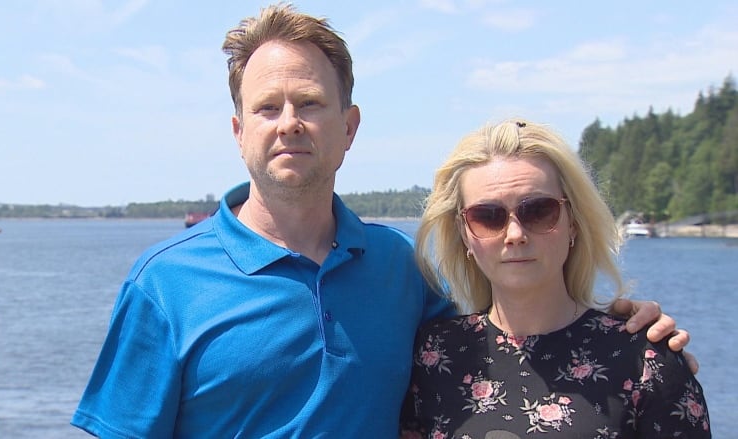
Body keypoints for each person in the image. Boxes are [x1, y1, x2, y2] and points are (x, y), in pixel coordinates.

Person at [71, 4, 691, 438]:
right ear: (239, 133)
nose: (289, 121)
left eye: (311, 103)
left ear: (349, 127)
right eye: (267, 107)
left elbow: (516, 329)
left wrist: (632, 332)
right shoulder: (165, 283)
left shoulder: (401, 268)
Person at [400, 119, 710, 438]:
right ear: (464, 234)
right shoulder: (433, 355)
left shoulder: (644, 360)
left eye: (538, 211)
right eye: (487, 217)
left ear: (573, 222)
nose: (516, 234)